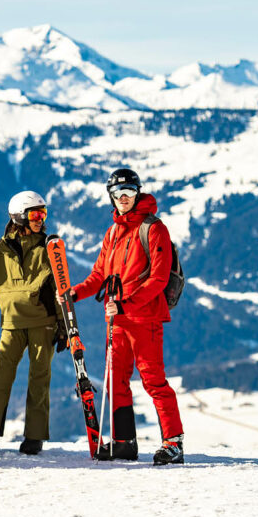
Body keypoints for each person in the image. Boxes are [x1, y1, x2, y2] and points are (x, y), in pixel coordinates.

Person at [66, 168, 185, 465]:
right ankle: (124, 442)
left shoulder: (153, 228)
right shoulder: (114, 232)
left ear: (138, 193)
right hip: (117, 320)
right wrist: (74, 293)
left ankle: (173, 443)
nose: (123, 198)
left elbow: (158, 279)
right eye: (118, 193)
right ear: (111, 196)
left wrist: (126, 305)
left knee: (153, 380)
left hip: (145, 319)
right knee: (115, 380)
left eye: (129, 192)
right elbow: (99, 275)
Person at [0, 191, 65, 456]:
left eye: (43, 214)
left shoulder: (48, 246)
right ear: (19, 216)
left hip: (42, 322)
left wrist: (64, 324)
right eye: (35, 214)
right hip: (11, 322)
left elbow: (60, 286)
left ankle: (34, 437)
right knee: (1, 377)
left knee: (39, 379)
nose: (40, 219)